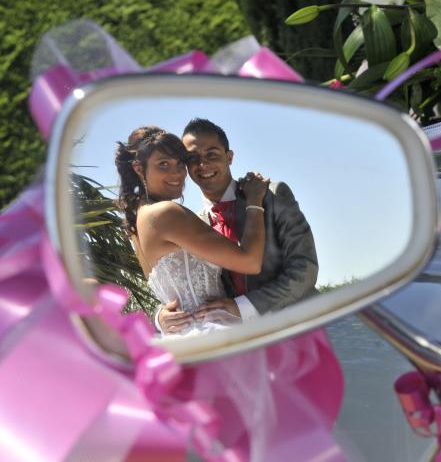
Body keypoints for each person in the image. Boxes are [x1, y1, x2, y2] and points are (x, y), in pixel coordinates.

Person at [156, 118, 319, 334]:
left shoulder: (272, 194)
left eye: (212, 154)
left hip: (303, 326)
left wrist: (244, 308)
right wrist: (160, 317)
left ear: (229, 157)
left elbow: (305, 268)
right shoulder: (192, 224)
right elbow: (184, 283)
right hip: (242, 343)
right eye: (193, 158)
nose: (203, 165)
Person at [115, 126, 270, 335]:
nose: (177, 173)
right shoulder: (166, 213)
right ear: (139, 169)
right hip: (213, 331)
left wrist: (159, 317)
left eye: (180, 163)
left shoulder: (137, 222)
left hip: (184, 337)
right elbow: (250, 262)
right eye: (163, 164)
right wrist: (254, 202)